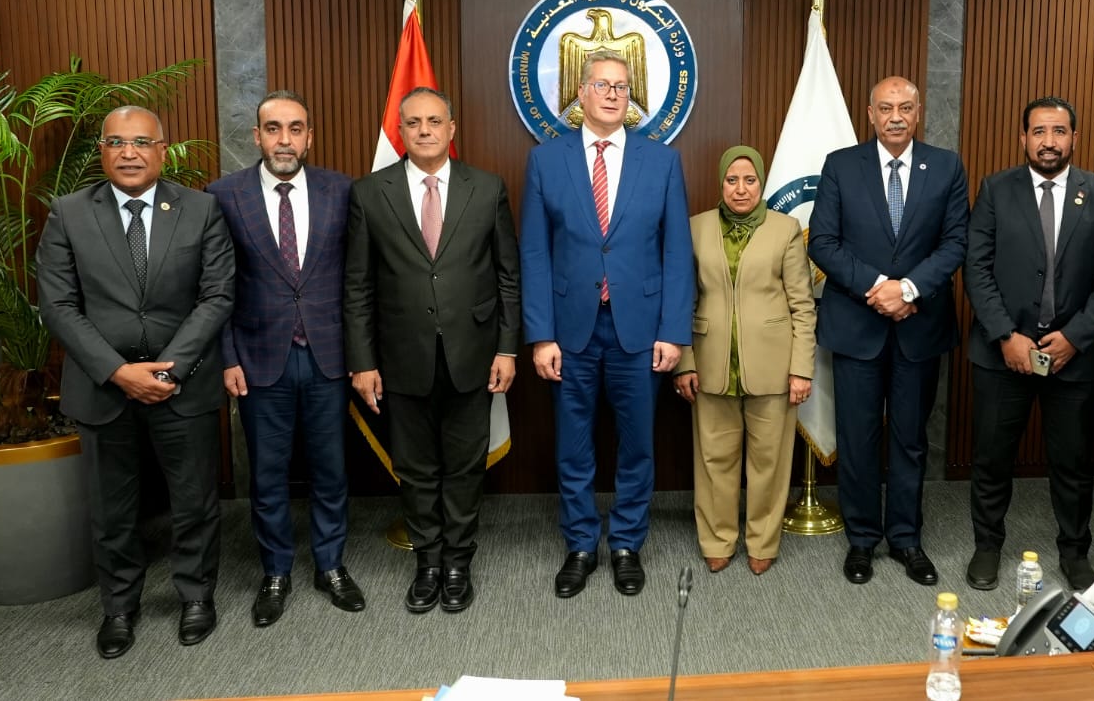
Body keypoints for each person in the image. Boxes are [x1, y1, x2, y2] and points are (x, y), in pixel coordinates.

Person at [36, 105, 235, 659]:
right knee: (112, 510)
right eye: (117, 143)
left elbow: (217, 295)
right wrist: (119, 372)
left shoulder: (201, 209)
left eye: (142, 142)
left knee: (195, 503)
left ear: (162, 150)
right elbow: (58, 305)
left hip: (182, 385)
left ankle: (196, 596)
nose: (129, 153)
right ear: (101, 151)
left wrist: (169, 369)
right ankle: (119, 607)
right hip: (103, 387)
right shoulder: (69, 213)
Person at [520, 50, 694, 599]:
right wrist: (540, 335)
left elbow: (677, 252)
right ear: (581, 93)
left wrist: (673, 332)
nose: (614, 94)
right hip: (570, 331)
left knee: (637, 445)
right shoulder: (545, 161)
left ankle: (625, 544)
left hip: (639, 330)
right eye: (603, 85)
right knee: (573, 446)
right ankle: (579, 544)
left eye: (622, 86)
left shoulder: (661, 161)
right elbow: (534, 253)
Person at [343, 87, 521, 615]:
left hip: (474, 354)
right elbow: (357, 286)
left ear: (451, 129)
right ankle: (427, 562)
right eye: (414, 122)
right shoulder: (368, 193)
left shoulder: (486, 188)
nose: (424, 130)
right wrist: (362, 361)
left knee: (465, 467)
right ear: (400, 130)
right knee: (416, 468)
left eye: (434, 121)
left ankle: (458, 562)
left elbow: (508, 277)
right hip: (400, 358)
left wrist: (507, 349)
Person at [206, 90, 363, 628]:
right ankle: (275, 571)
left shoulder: (341, 190)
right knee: (267, 476)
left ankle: (330, 565)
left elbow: (357, 281)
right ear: (257, 136)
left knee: (331, 470)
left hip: (328, 357)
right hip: (258, 359)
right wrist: (227, 357)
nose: (284, 140)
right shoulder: (223, 196)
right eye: (273, 129)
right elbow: (216, 288)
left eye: (295, 129)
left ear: (309, 136)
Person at [807, 76, 968, 587]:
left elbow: (955, 241)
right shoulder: (840, 165)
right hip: (858, 325)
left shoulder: (946, 166)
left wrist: (910, 290)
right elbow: (823, 242)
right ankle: (861, 539)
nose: (895, 116)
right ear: (870, 114)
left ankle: (905, 538)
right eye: (885, 108)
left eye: (905, 107)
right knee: (857, 439)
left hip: (920, 326)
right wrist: (880, 287)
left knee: (910, 439)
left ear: (918, 113)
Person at [963, 96, 1094, 594]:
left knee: (1072, 463)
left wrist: (1076, 337)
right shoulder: (996, 189)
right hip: (1003, 353)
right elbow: (976, 267)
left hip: (1071, 356)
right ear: (1023, 138)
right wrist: (1004, 335)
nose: (1049, 141)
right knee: (992, 457)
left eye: (1059, 131)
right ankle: (987, 545)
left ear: (1074, 137)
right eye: (1039, 132)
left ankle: (1075, 552)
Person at [674, 146, 816, 576]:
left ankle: (762, 541)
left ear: (761, 184)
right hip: (710, 363)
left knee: (769, 461)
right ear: (720, 183)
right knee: (714, 459)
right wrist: (684, 362)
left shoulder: (785, 229)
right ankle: (717, 539)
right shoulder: (695, 228)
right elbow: (682, 300)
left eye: (750, 180)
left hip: (774, 367)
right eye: (732, 180)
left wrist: (801, 368)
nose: (741, 189)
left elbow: (802, 305)